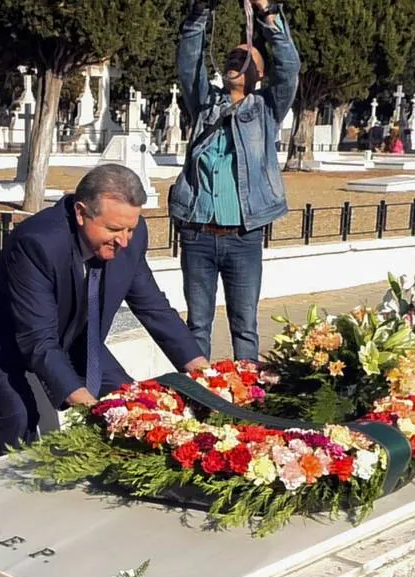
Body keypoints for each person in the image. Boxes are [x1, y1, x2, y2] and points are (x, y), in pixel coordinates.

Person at [0, 164, 208, 457]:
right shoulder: (37, 243)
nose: (124, 240)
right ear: (82, 213)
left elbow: (152, 306)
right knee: (18, 413)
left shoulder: (129, 237)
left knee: (129, 399)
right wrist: (87, 403)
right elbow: (38, 339)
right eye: (113, 229)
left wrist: (204, 372)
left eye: (130, 229)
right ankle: (7, 490)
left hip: (67, 333)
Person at [171, 0, 301, 361]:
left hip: (243, 238)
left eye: (245, 60)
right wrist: (199, 12)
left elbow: (290, 68)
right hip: (197, 235)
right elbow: (188, 62)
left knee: (244, 324)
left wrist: (268, 14)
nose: (234, 62)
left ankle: (246, 401)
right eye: (231, 57)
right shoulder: (204, 104)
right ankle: (197, 395)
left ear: (259, 74)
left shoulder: (265, 110)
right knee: (197, 324)